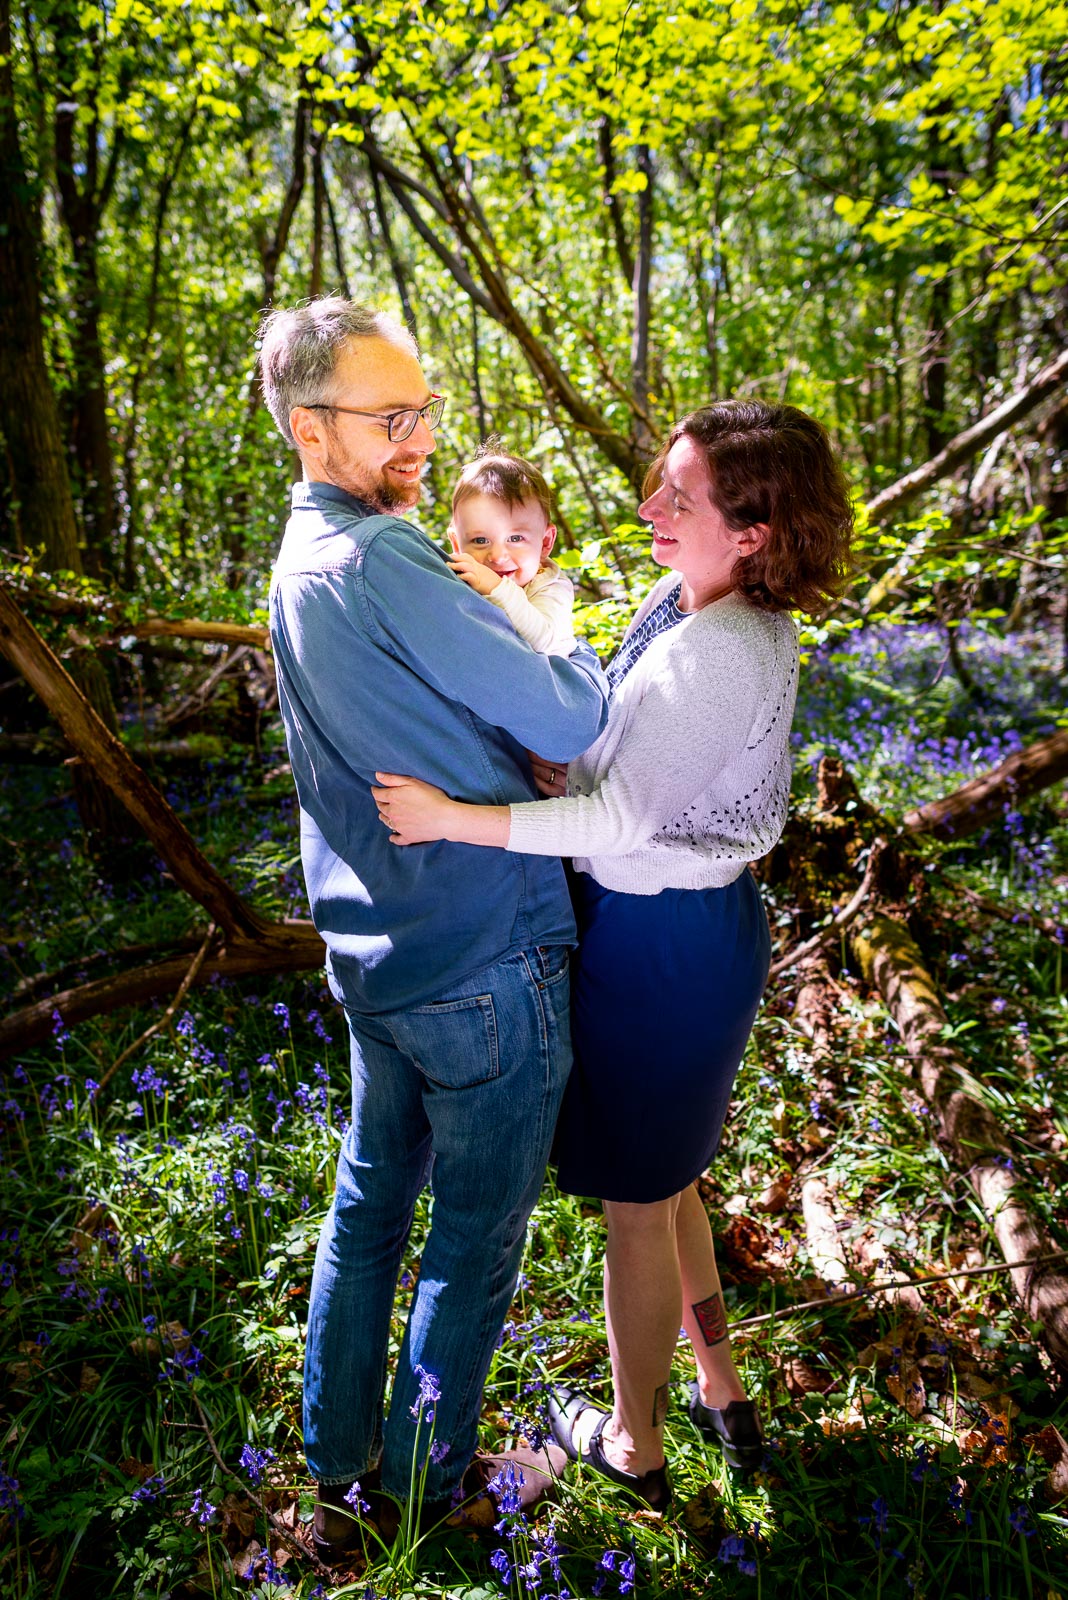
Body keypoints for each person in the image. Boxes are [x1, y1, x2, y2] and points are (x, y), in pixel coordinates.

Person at [372, 399, 854, 1511]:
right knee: (670, 1175)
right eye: (659, 482)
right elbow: (617, 755)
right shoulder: (686, 601)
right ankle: (720, 1387)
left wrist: (457, 816)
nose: (648, 506)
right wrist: (576, 767)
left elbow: (619, 823)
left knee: (639, 1202)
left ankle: (635, 1449)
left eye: (679, 499)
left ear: (756, 532)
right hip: (657, 927)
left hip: (665, 948)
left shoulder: (728, 649)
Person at [259, 297, 609, 1560]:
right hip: (480, 957)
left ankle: (335, 1457)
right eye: (389, 418)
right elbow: (566, 717)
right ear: (311, 429)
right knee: (469, 1236)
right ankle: (423, 1493)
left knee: (368, 1205)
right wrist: (578, 670)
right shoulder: (384, 559)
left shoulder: (301, 560)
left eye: (424, 411)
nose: (419, 439)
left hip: (375, 955)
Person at [447, 450, 576, 656]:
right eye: (480, 540)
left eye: (515, 539)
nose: (497, 556)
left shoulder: (551, 586)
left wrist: (497, 588)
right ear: (456, 544)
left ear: (545, 542)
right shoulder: (462, 578)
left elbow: (544, 641)